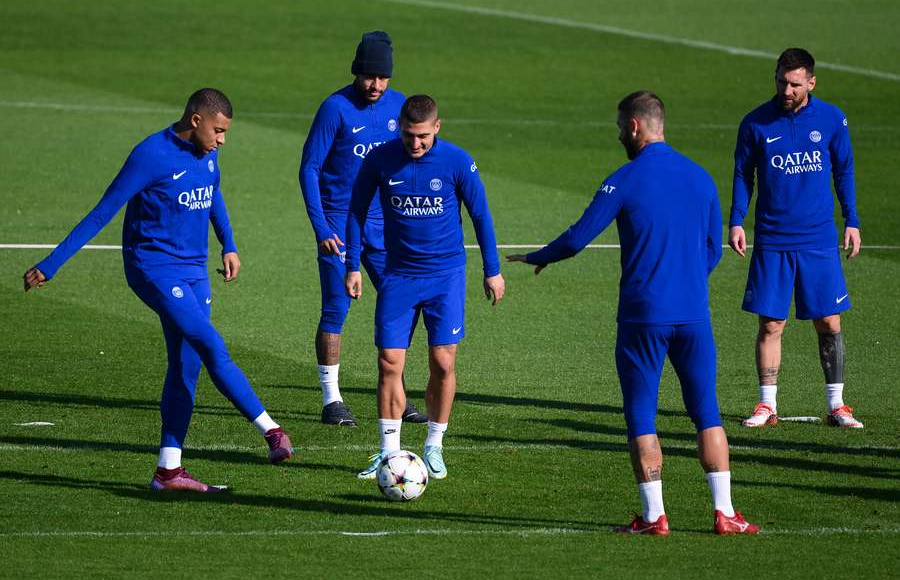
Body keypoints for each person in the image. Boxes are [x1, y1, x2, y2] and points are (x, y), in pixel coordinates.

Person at [508, 91, 758, 535]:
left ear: (636, 127)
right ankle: (725, 514)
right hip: (693, 315)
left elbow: (576, 239)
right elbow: (712, 250)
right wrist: (687, 282)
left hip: (643, 316)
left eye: (621, 126)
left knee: (642, 414)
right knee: (707, 413)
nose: (620, 133)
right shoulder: (701, 178)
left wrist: (538, 256)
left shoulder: (624, 178)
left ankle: (653, 516)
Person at [23, 88, 293, 493]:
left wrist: (229, 243)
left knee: (187, 366)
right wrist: (52, 264)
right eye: (218, 131)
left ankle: (168, 471)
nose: (223, 140)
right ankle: (271, 430)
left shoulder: (208, 153)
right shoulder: (150, 155)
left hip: (194, 271)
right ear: (197, 120)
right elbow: (102, 211)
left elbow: (213, 192)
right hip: (152, 269)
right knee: (209, 343)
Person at [344, 94, 505, 480]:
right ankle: (388, 453)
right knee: (389, 363)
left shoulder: (457, 161)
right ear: (399, 127)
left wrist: (492, 270)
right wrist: (352, 266)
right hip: (398, 276)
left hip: (445, 276)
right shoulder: (380, 159)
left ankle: (434, 444)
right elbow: (356, 211)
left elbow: (480, 214)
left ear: (437, 127)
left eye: (422, 137)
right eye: (408, 135)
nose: (415, 144)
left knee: (443, 362)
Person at [729, 48, 863, 429]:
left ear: (811, 83)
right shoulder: (756, 123)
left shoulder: (832, 119)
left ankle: (837, 404)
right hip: (772, 238)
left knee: (828, 321)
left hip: (818, 239)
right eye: (781, 81)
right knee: (771, 324)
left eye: (794, 84)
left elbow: (845, 171)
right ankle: (766, 405)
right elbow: (743, 174)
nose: (786, 89)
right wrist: (736, 220)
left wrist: (851, 220)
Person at [299, 30, 426, 426]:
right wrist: (320, 226)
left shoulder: (401, 106)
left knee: (400, 305)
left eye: (382, 78)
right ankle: (331, 400)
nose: (375, 85)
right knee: (336, 308)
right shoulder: (335, 109)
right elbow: (309, 168)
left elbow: (414, 163)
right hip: (338, 222)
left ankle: (396, 394)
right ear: (356, 72)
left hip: (385, 226)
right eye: (369, 76)